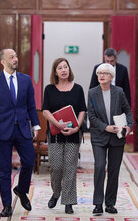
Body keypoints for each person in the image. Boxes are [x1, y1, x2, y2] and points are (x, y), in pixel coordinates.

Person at [0, 49, 40, 217]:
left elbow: (31, 105)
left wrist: (35, 126)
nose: (16, 59)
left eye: (16, 56)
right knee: (4, 169)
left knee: (29, 161)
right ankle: (6, 205)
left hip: (22, 129)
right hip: (3, 130)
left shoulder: (26, 80)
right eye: (11, 57)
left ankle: (21, 190)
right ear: (3, 62)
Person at [42, 58, 87, 214]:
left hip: (73, 134)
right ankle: (56, 193)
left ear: (69, 69)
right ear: (55, 72)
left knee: (70, 167)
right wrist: (57, 123)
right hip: (55, 134)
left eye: (65, 67)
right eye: (60, 68)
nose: (63, 70)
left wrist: (77, 127)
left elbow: (82, 110)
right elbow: (45, 110)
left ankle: (68, 201)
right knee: (56, 167)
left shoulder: (78, 89)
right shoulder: (49, 89)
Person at [87, 63, 133, 214]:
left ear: (111, 77)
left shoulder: (118, 92)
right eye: (99, 72)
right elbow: (91, 116)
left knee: (114, 170)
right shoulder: (92, 92)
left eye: (105, 73)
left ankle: (110, 204)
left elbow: (127, 110)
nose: (101, 75)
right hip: (99, 136)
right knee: (100, 167)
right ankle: (98, 204)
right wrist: (105, 127)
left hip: (117, 138)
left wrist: (129, 126)